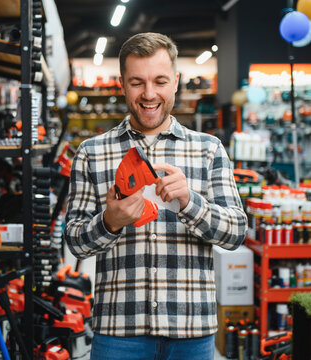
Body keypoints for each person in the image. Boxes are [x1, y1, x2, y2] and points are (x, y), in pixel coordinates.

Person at [64, 32, 247, 360]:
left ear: (175, 81)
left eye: (160, 81)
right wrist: (111, 221)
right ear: (122, 83)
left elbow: (235, 234)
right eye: (137, 82)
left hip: (191, 332)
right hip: (119, 331)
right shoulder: (91, 152)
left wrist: (191, 202)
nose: (149, 94)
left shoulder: (208, 149)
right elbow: (75, 242)